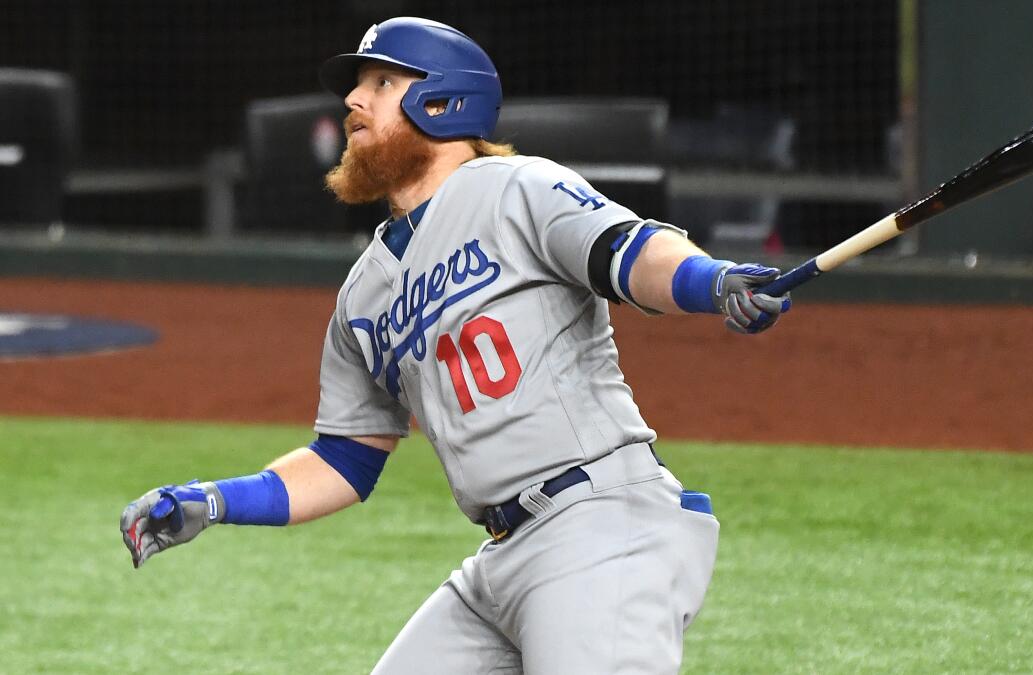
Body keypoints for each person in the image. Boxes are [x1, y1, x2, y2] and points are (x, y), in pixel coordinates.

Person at [121, 17, 790, 674]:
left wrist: (713, 279)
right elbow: (345, 459)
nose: (353, 101)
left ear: (440, 102)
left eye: (380, 83)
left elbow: (628, 249)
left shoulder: (515, 188)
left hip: (600, 524)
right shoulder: (363, 293)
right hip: (500, 563)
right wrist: (213, 500)